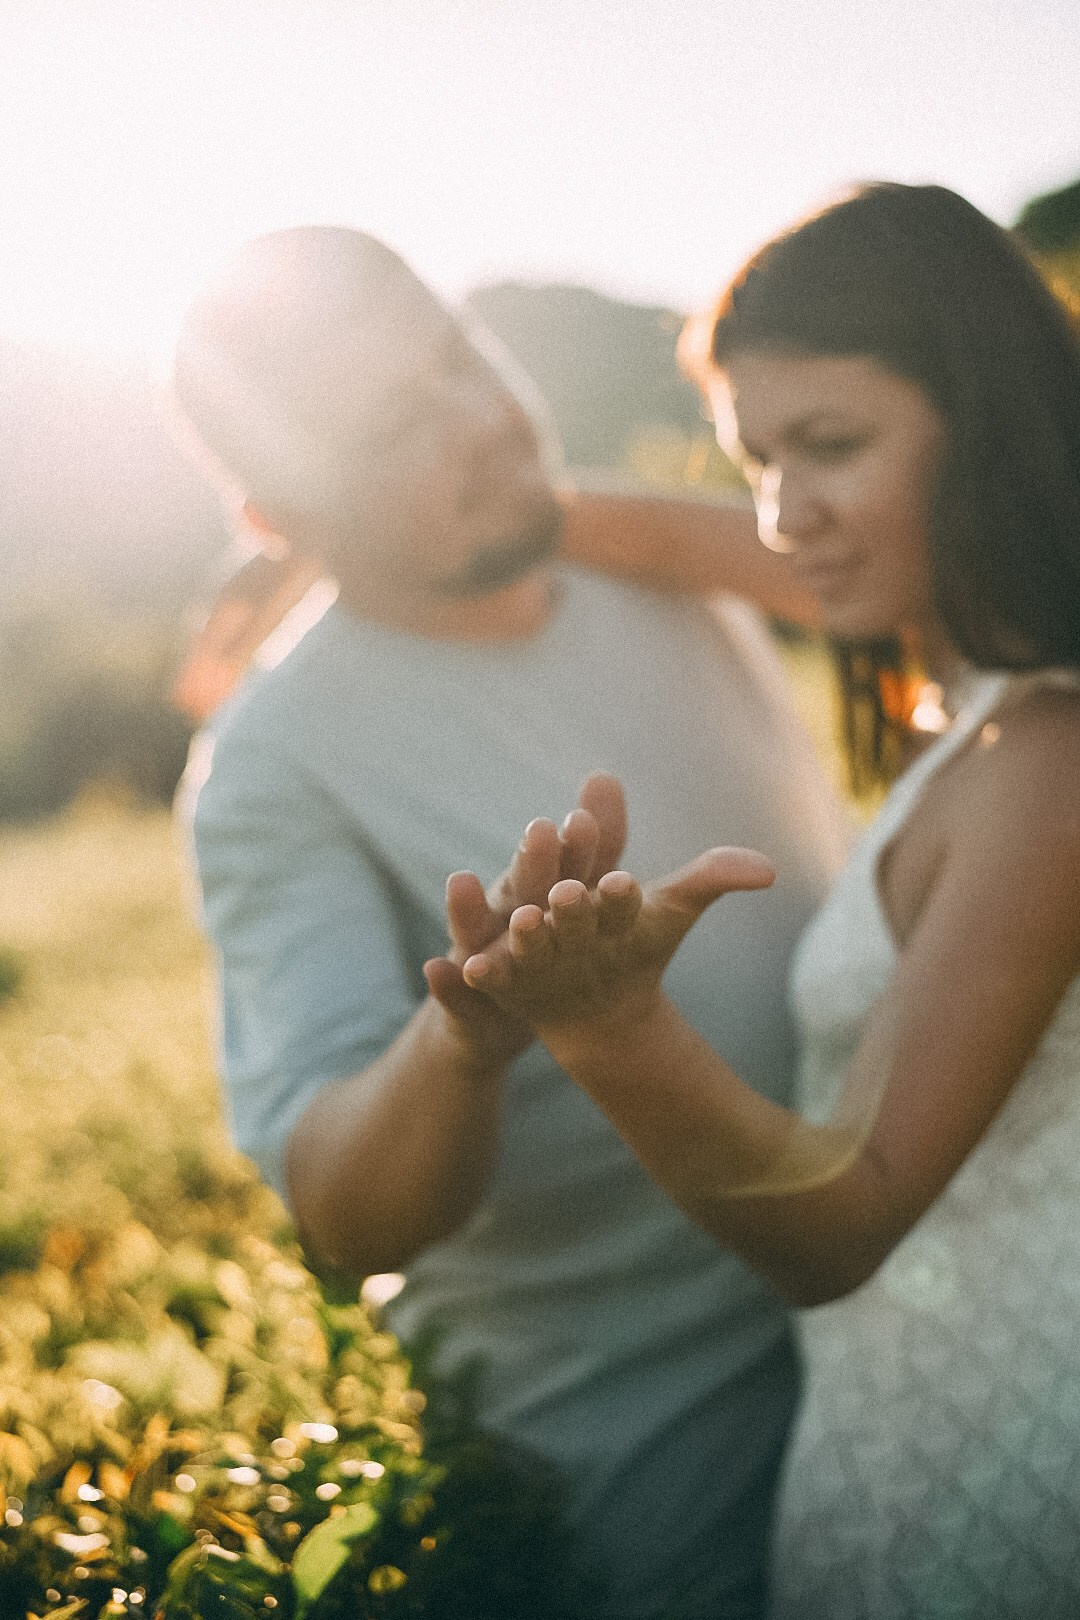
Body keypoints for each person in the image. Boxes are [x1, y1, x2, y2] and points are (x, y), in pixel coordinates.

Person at [172, 225, 849, 1618]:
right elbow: (345, 1213)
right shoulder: (275, 766)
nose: (483, 423)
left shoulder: (647, 567)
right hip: (674, 1466)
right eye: (390, 430)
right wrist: (465, 1039)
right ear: (276, 519)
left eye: (459, 358)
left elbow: (926, 581)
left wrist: (577, 508)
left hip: (904, 1299)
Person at [446, 183, 1080, 1617]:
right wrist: (412, 530)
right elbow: (702, 545)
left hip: (1017, 1484)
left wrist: (610, 1027)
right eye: (757, 458)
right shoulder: (961, 682)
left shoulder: (1045, 762)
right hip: (930, 1439)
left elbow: (841, 1222)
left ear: (985, 421)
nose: (787, 512)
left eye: (833, 446)